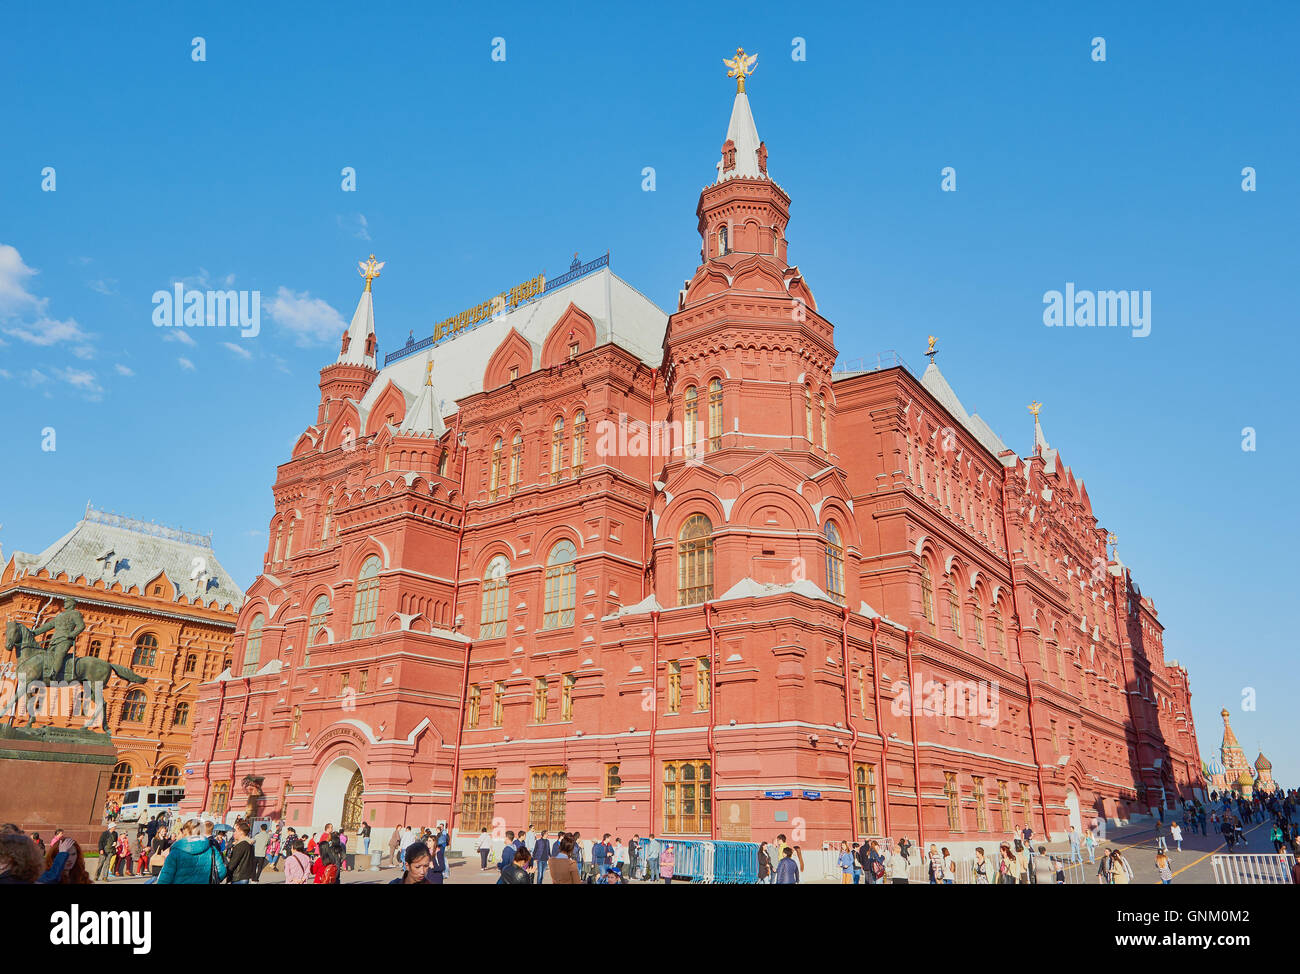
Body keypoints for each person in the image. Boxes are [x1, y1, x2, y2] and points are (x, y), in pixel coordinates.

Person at [156, 819, 227, 884]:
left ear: (186, 832)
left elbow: (165, 878)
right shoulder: (211, 849)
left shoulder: (176, 851)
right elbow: (222, 872)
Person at [225, 819, 256, 885]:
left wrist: (224, 874)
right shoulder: (249, 843)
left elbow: (233, 863)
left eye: (235, 831)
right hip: (244, 876)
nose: (234, 833)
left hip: (238, 877)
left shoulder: (241, 845)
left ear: (241, 832)